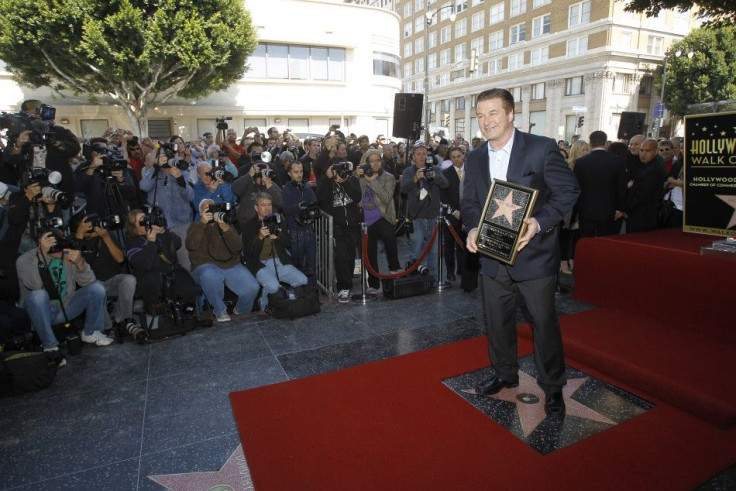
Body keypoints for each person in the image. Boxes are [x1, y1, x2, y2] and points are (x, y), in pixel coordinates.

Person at [461, 88, 579, 417]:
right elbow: (469, 204)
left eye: (493, 113)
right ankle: (504, 373)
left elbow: (568, 190)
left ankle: (553, 386)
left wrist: (539, 223)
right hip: (492, 257)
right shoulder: (473, 158)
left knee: (543, 323)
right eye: (481, 115)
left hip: (535, 256)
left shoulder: (540, 149)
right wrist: (472, 229)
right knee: (497, 323)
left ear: (511, 114)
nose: (486, 121)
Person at [17, 229, 113, 365]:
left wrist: (80, 262)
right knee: (38, 295)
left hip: (66, 307)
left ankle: (91, 332)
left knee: (97, 288)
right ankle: (50, 347)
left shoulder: (67, 254)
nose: (59, 250)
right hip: (40, 313)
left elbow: (89, 282)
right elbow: (35, 285)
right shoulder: (25, 260)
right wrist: (41, 255)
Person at [186, 199, 260, 322]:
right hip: (204, 266)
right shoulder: (195, 226)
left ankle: (240, 312)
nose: (210, 211)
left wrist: (226, 229)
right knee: (211, 274)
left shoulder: (224, 224)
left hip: (229, 264)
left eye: (213, 208)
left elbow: (238, 247)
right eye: (206, 209)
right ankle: (220, 311)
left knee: (252, 287)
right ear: (200, 213)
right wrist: (203, 223)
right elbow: (191, 245)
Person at [242, 193, 308, 312]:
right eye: (263, 205)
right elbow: (248, 253)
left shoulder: (277, 220)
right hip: (259, 263)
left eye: (269, 205)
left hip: (279, 260)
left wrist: (278, 237)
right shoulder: (249, 226)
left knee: (303, 280)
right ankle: (263, 304)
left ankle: (285, 301)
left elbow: (288, 242)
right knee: (273, 286)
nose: (267, 208)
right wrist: (260, 237)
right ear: (256, 208)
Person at [125, 209, 199, 315]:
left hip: (172, 271)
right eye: (142, 221)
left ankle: (187, 312)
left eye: (147, 218)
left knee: (189, 288)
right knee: (154, 279)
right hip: (151, 276)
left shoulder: (159, 232)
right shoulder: (133, 242)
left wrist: (164, 232)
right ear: (134, 228)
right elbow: (145, 264)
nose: (147, 222)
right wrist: (151, 243)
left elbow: (177, 243)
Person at [400, 141, 449, 283]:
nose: (421, 157)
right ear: (413, 157)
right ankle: (415, 277)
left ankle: (432, 279)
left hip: (434, 216)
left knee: (433, 250)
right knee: (416, 248)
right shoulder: (409, 171)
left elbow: (445, 184)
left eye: (424, 154)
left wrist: (435, 177)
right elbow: (403, 189)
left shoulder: (436, 168)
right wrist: (416, 178)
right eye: (418, 154)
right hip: (417, 216)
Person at [316, 160, 363, 302]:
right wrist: (327, 178)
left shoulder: (351, 179)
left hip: (352, 224)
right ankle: (344, 287)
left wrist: (345, 181)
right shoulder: (326, 182)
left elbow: (357, 196)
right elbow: (320, 197)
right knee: (341, 256)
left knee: (350, 255)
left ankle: (346, 282)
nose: (341, 172)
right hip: (336, 226)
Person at [357, 148, 401, 294]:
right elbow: (357, 195)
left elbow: (386, 197)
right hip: (366, 220)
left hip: (383, 217)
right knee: (370, 253)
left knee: (391, 248)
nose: (375, 164)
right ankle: (374, 284)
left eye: (378, 160)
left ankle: (395, 276)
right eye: (372, 161)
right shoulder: (361, 176)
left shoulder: (388, 177)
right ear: (366, 162)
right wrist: (357, 177)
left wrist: (373, 182)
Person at [573, 130, 627, 238]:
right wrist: (620, 208)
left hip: (586, 210)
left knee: (586, 241)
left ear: (590, 143)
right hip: (609, 210)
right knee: (605, 242)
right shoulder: (618, 161)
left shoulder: (580, 162)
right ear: (605, 142)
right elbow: (621, 187)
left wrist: (576, 211)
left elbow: (576, 188)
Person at [281, 161, 318, 283]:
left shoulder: (307, 189)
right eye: (296, 172)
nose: (299, 174)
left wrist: (312, 216)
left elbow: (315, 206)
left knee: (311, 264)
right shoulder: (286, 190)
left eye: (301, 171)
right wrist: (298, 207)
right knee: (296, 265)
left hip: (309, 230)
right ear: (289, 173)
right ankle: (299, 293)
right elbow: (285, 209)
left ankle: (312, 294)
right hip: (294, 231)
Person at [625, 138, 667, 233]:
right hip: (641, 214)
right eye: (641, 150)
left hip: (643, 216)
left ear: (656, 151)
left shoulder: (654, 169)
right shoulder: (649, 165)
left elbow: (642, 195)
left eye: (647, 151)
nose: (643, 154)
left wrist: (627, 209)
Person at [440, 145, 467, 284]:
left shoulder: (470, 171)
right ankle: (450, 272)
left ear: (463, 155)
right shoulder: (445, 173)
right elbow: (443, 195)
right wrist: (454, 211)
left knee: (464, 244)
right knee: (449, 245)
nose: (457, 159)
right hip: (451, 215)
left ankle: (462, 270)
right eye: (453, 157)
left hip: (468, 214)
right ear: (450, 159)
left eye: (458, 156)